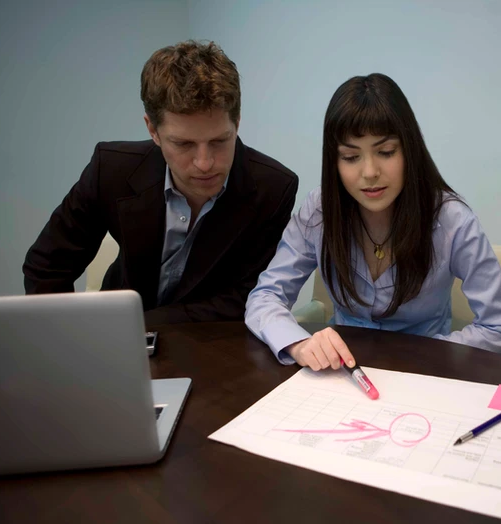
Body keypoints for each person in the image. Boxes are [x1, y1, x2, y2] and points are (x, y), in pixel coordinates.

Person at [245, 73, 501, 369]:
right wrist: (298, 344)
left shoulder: (451, 219)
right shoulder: (320, 210)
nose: (370, 172)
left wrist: (422, 355)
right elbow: (266, 296)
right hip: (341, 374)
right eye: (350, 157)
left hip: (424, 374)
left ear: (410, 150)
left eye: (386, 152)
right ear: (334, 161)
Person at [23, 40, 298, 325]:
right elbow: (47, 267)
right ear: (153, 130)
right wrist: (68, 335)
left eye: (219, 141)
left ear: (237, 123)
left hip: (209, 338)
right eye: (183, 144)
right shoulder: (112, 169)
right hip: (115, 332)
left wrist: (142, 326)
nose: (204, 163)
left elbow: (247, 296)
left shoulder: (274, 188)